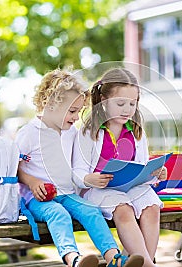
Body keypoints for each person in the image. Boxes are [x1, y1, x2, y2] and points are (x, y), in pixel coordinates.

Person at [15, 69, 144, 267]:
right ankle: (73, 259)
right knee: (58, 214)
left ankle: (114, 258)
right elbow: (14, 167)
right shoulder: (29, 133)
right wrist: (33, 182)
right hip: (38, 198)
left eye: (78, 111)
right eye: (72, 111)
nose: (76, 117)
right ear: (51, 104)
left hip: (66, 193)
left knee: (91, 211)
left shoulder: (71, 132)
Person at [72, 68, 168, 267]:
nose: (127, 109)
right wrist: (89, 179)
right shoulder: (89, 132)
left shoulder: (136, 131)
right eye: (120, 103)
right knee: (123, 210)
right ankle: (149, 265)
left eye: (133, 103)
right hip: (97, 190)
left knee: (151, 207)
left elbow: (141, 167)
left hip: (130, 188)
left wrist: (155, 173)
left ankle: (144, 262)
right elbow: (77, 171)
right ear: (103, 101)